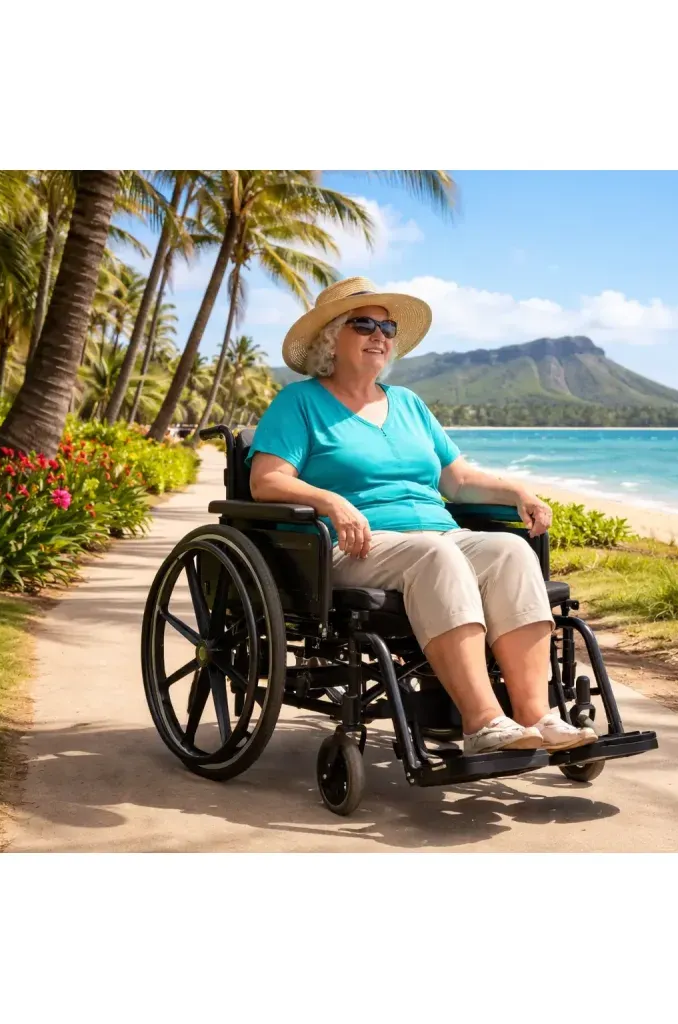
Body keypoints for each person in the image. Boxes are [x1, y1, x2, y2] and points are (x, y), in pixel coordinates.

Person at [246, 277, 596, 755]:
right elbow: (266, 480)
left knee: (511, 550)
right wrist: (331, 501)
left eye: (387, 327)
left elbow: (457, 480)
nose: (380, 335)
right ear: (331, 336)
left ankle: (536, 716)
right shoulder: (300, 403)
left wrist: (517, 491)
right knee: (434, 555)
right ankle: (482, 721)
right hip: (357, 545)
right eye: (364, 323)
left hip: (437, 536)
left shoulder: (408, 403)